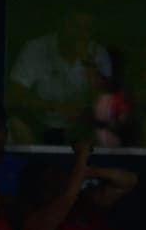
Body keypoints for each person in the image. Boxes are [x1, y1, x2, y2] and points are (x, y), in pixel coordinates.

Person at [7, 10, 111, 143]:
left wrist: (90, 69)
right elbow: (15, 95)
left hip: (81, 128)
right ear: (61, 26)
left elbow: (107, 106)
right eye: (75, 26)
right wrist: (55, 106)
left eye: (86, 29)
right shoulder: (36, 48)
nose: (79, 34)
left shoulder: (99, 53)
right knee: (15, 124)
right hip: (40, 125)